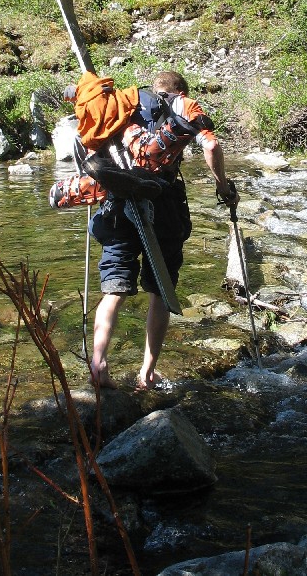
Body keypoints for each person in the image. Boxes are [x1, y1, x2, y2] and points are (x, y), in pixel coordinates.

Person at [86, 70, 238, 390]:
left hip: (117, 202)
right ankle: (147, 373)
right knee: (159, 290)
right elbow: (211, 147)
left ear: (154, 89)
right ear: (180, 90)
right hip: (163, 205)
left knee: (115, 287)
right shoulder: (185, 105)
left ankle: (98, 359)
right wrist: (222, 186)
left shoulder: (124, 102)